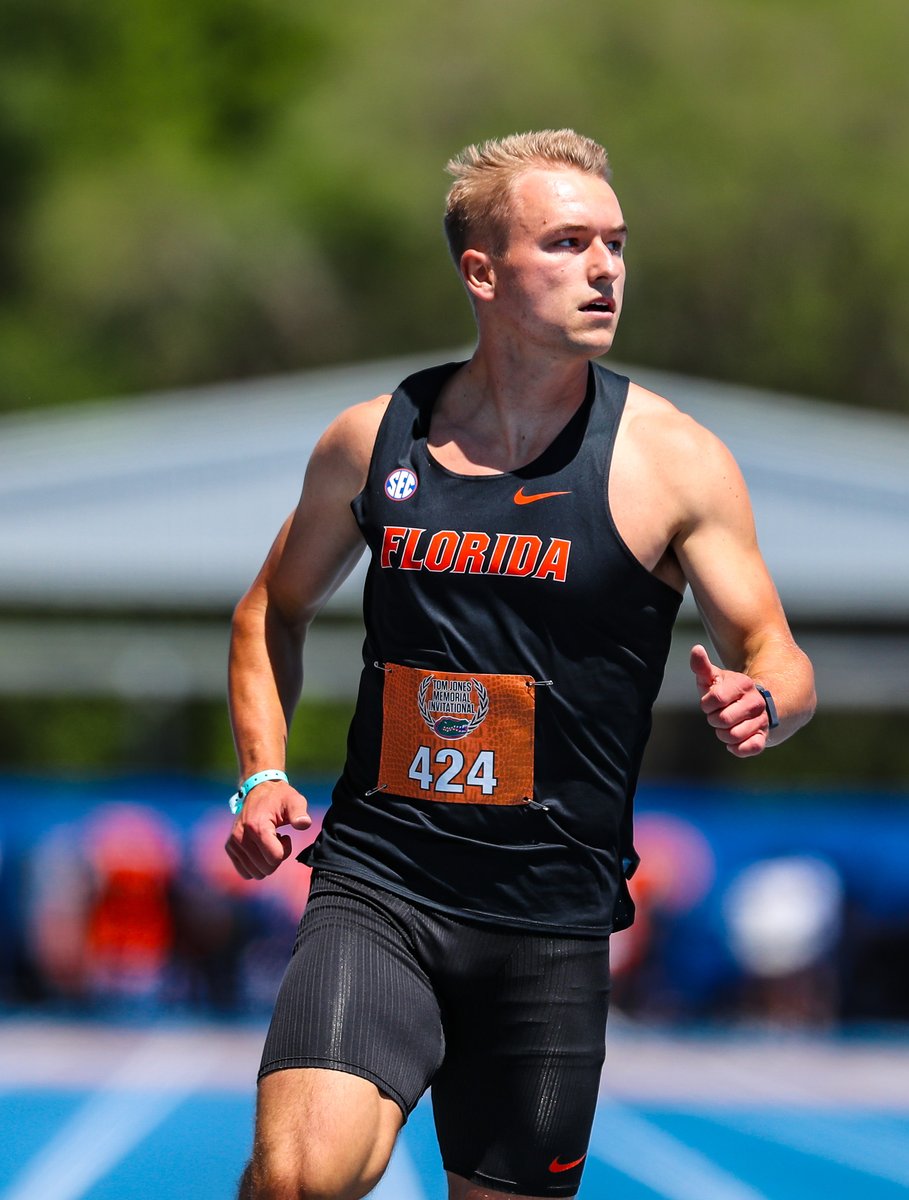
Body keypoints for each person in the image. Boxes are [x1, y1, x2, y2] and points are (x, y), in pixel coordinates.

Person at [225, 129, 816, 1200]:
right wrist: (264, 770)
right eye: (569, 242)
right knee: (301, 1174)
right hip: (382, 882)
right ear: (482, 273)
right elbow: (271, 609)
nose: (605, 269)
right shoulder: (375, 440)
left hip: (550, 921)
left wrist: (765, 699)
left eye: (617, 244)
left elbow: (778, 654)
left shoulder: (672, 459)